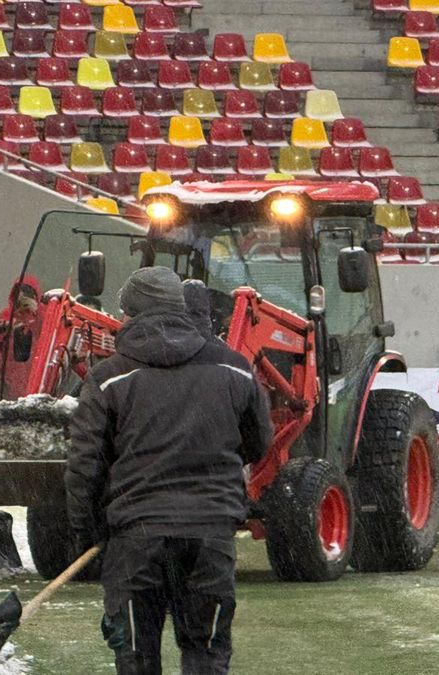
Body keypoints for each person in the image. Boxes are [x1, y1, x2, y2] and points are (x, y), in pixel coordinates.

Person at [66, 267, 273, 675]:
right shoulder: (233, 368)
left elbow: (84, 468)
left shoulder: (108, 378)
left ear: (134, 313)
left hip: (135, 538)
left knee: (137, 658)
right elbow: (258, 444)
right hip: (210, 533)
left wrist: (89, 532)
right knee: (205, 654)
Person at [0, 276, 42, 399]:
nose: (22, 297)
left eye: (27, 293)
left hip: (37, 378)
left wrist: (36, 312)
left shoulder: (42, 317)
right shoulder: (7, 316)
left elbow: (47, 337)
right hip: (10, 382)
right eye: (19, 293)